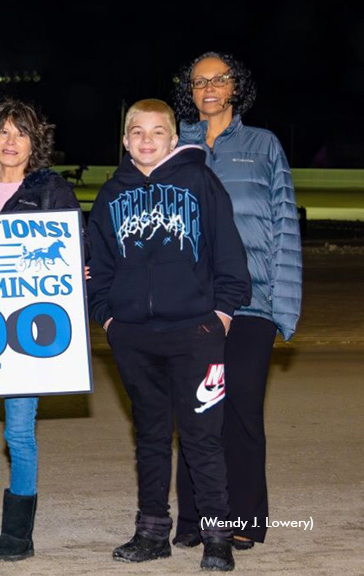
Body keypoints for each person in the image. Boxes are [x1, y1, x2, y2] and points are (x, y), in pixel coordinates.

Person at [87, 99, 251, 572]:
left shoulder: (200, 182)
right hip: (134, 337)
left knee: (203, 437)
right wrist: (109, 319)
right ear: (125, 140)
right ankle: (153, 531)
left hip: (195, 333)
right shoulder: (111, 194)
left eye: (157, 131)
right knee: (151, 436)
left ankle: (216, 537)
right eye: (137, 131)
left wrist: (221, 315)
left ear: (174, 139)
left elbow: (229, 253)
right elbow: (98, 264)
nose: (146, 140)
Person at [171, 52, 303, 551]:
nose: (208, 88)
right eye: (198, 81)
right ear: (189, 90)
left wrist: (282, 308)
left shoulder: (263, 145)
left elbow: (284, 227)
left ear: (234, 87)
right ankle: (196, 519)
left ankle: (243, 519)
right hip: (191, 305)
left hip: (250, 304)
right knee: (196, 413)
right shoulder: (175, 144)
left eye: (219, 79)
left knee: (242, 411)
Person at [0, 98, 80, 561]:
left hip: (25, 336)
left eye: (21, 132)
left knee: (19, 435)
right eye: (3, 131)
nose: (11, 141)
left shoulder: (52, 191)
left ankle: (17, 534)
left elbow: (75, 252)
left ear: (35, 142)